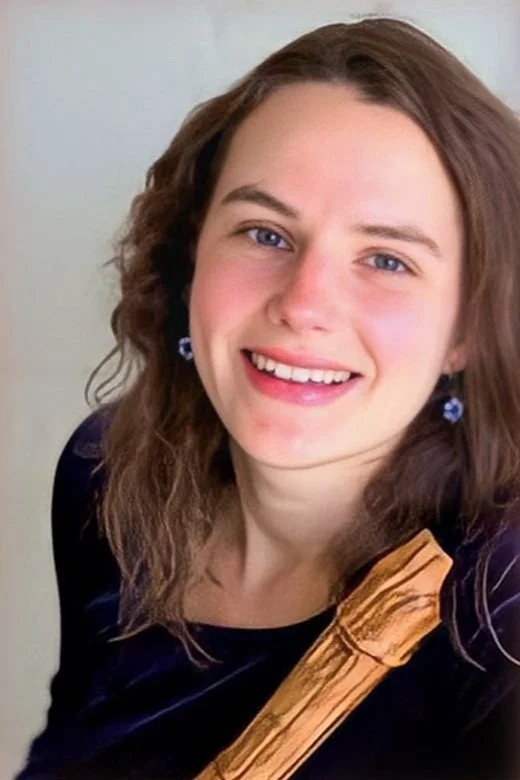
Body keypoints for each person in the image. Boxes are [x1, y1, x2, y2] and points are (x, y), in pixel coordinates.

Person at [16, 16, 520, 780]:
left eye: (386, 258)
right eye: (265, 234)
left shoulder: (501, 599)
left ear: (468, 330)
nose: (304, 303)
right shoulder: (102, 475)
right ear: (191, 258)